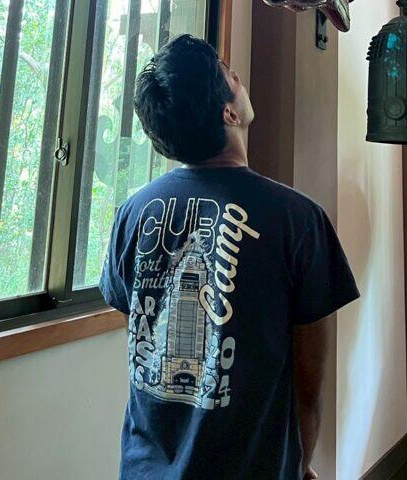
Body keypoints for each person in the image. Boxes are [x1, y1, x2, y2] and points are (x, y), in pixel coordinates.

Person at [100, 34, 359, 480]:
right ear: (229, 113)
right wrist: (299, 463)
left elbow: (140, 331)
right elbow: (309, 381)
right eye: (230, 75)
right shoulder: (298, 219)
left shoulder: (133, 214)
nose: (238, 76)